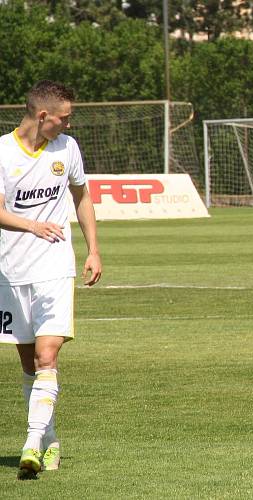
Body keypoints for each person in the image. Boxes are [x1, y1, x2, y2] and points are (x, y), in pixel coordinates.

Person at [0, 80, 102, 479]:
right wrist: (32, 226)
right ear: (43, 116)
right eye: (64, 118)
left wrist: (93, 249)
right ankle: (50, 440)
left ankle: (29, 443)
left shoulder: (68, 150)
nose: (68, 125)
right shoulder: (2, 152)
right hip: (10, 272)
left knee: (47, 357)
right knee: (30, 365)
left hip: (55, 268)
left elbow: (82, 196)